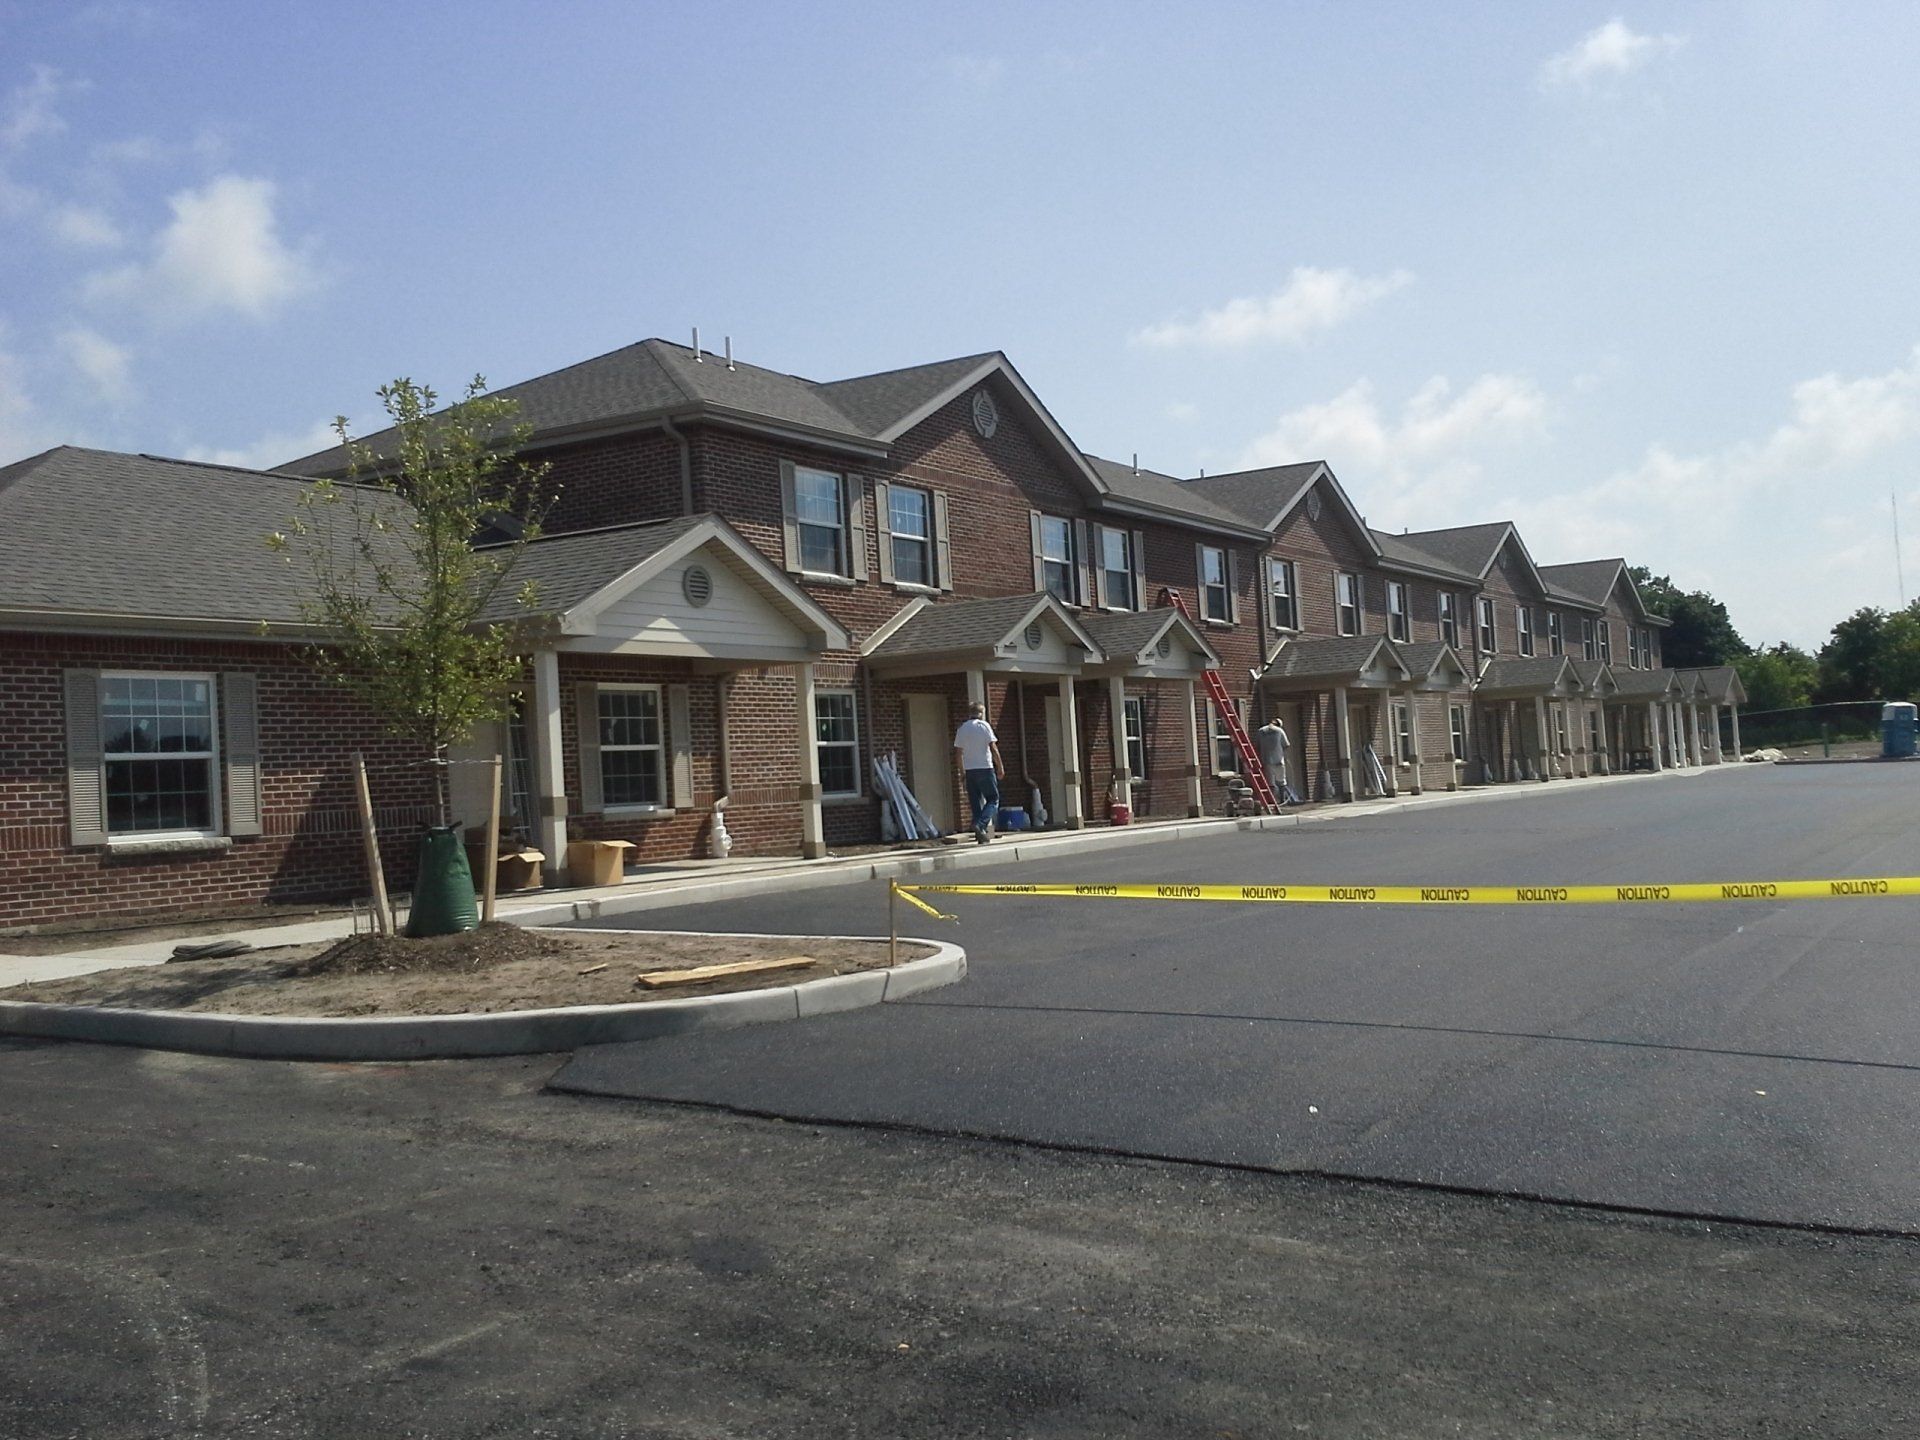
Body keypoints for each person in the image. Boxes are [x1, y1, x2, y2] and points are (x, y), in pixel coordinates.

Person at [953, 700, 1005, 844]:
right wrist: (1000, 766)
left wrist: (962, 772)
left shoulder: (962, 728)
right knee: (993, 799)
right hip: (985, 768)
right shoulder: (984, 726)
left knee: (975, 803)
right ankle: (980, 825)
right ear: (981, 713)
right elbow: (993, 748)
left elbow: (958, 753)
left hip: (970, 770)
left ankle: (980, 835)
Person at [1255, 716, 1291, 801]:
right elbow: (1286, 745)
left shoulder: (1261, 731)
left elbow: (1257, 745)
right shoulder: (1279, 731)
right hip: (1278, 760)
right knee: (1281, 781)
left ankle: (1272, 800)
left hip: (1266, 760)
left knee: (1270, 782)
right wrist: (1285, 756)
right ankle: (1282, 799)